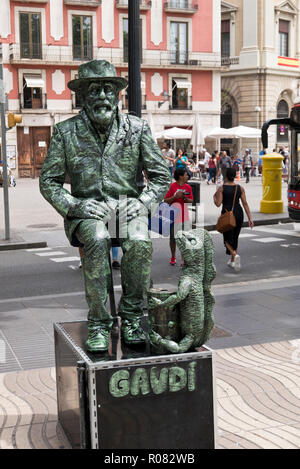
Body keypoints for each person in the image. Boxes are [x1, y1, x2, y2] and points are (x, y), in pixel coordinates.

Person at [40, 59, 171, 352]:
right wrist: (75, 206)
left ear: (117, 95)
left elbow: (162, 176)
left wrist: (143, 202)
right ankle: (99, 322)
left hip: (127, 207)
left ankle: (133, 318)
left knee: (139, 241)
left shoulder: (137, 129)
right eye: (94, 90)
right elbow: (48, 182)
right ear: (83, 96)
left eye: (108, 90)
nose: (102, 96)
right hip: (87, 210)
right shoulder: (65, 132)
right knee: (98, 240)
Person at [213, 167, 254, 272]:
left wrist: (214, 197)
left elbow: (218, 204)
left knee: (227, 238)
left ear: (226, 176)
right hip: (239, 213)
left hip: (227, 214)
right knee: (235, 237)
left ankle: (234, 255)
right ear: (235, 176)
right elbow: (245, 203)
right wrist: (250, 218)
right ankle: (232, 261)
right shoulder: (240, 188)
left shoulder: (221, 188)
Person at [164, 168, 193, 266]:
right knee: (173, 239)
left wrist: (184, 198)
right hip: (173, 216)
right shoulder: (172, 186)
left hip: (185, 216)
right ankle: (173, 256)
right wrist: (175, 197)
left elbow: (191, 200)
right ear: (181, 176)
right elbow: (165, 200)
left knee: (184, 239)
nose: (187, 176)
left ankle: (183, 259)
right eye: (186, 174)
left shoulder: (188, 187)